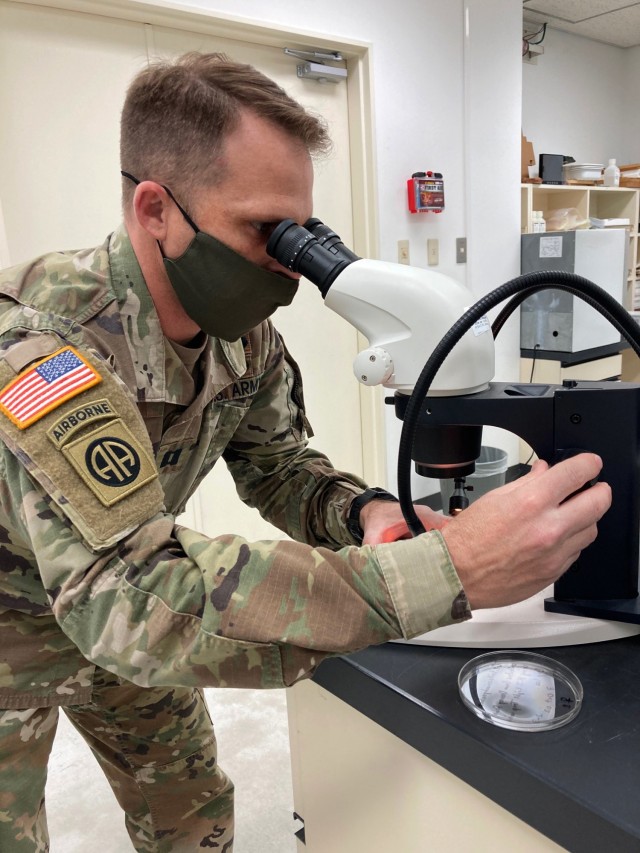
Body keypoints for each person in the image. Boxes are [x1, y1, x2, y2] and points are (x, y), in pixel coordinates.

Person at [0, 52, 610, 852]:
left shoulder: (243, 336)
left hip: (128, 620)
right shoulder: (45, 349)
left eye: (301, 233)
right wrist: (445, 573)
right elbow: (128, 592)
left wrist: (364, 512)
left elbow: (280, 467)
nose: (288, 264)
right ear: (157, 209)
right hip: (26, 631)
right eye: (263, 230)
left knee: (193, 813)